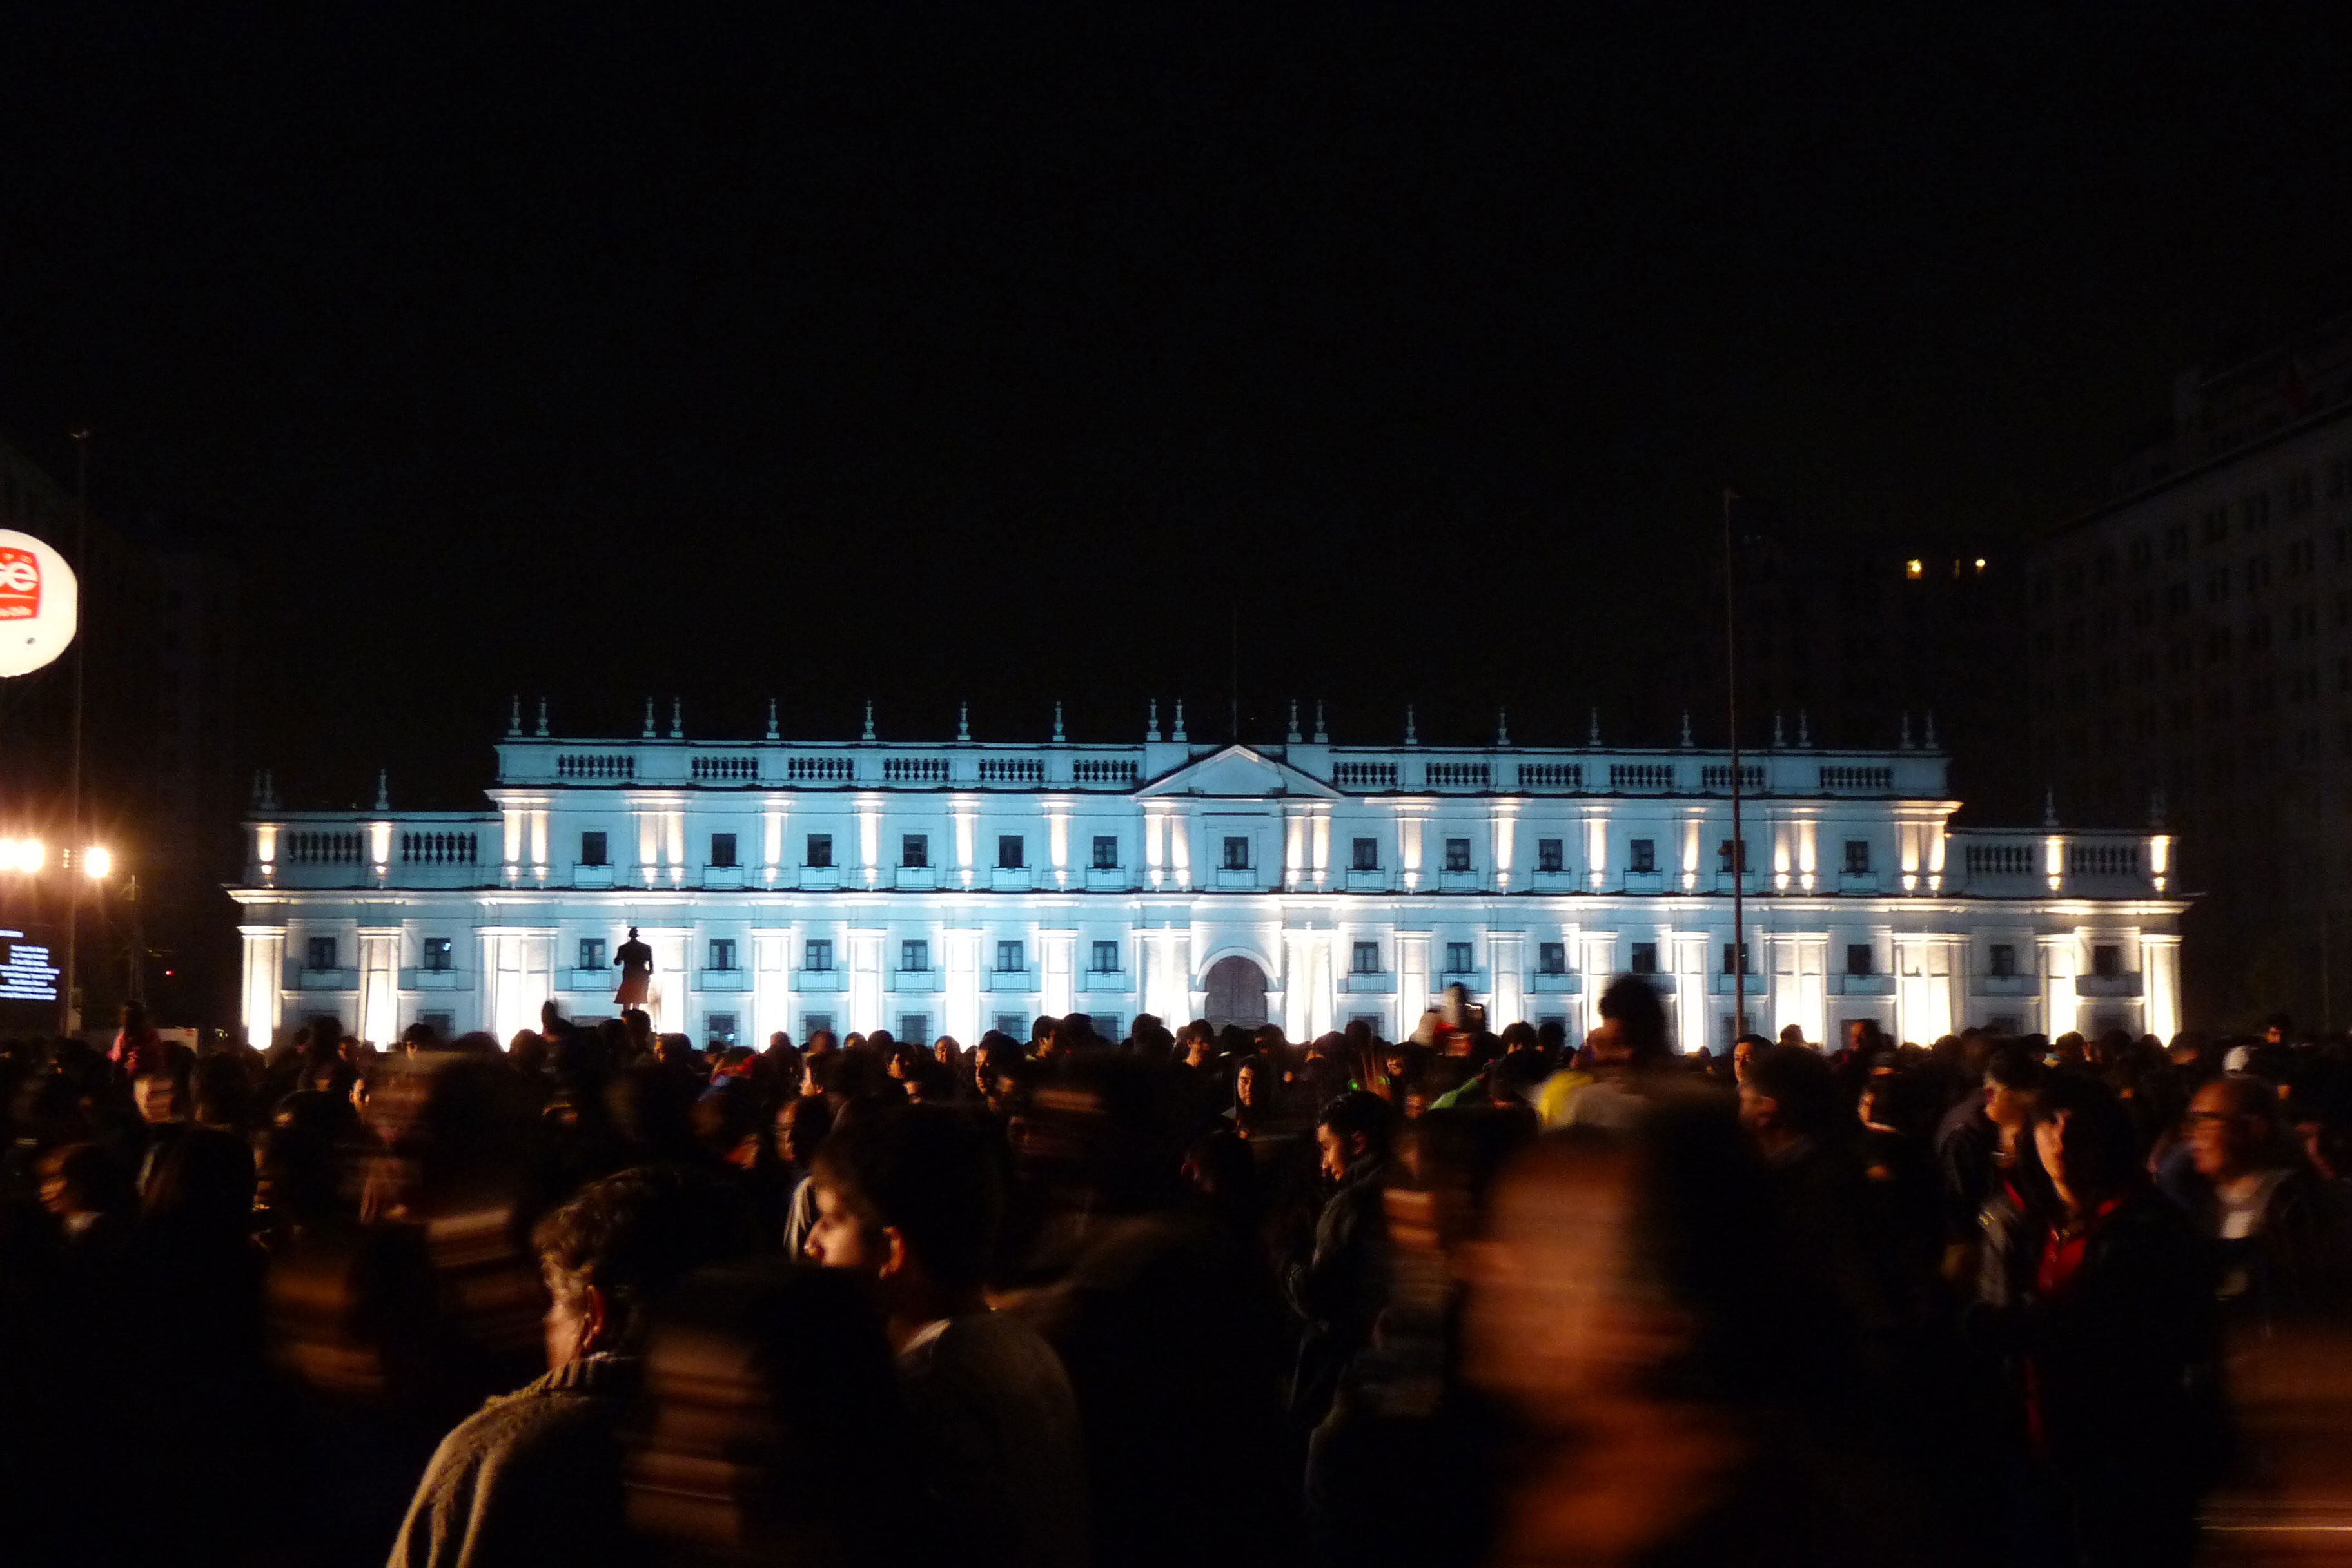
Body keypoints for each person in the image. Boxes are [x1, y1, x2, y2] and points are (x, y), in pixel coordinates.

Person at [388, 1164, 754, 1568]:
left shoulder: (500, 1453)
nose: (544, 1322)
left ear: (595, 1315)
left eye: (554, 1302)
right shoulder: (771, 1443)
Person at [805, 1104, 1086, 1568]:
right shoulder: (1021, 1345)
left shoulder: (926, 1383)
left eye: (831, 1222)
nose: (811, 1243)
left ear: (893, 1249)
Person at [2181, 1072, 2348, 1328]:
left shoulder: (2297, 1207)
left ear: (2254, 1128)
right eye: (2192, 1123)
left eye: (2205, 1121)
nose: (2194, 1136)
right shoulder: (2199, 1206)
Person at [1287, 1089, 1395, 1430]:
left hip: (1345, 1364)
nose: (1324, 1164)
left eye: (1327, 1148)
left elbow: (1316, 1298)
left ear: (1358, 1142)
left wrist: (1285, 1260)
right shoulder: (1412, 1185)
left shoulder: (1353, 1203)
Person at [611, 927, 652, 1009]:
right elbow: (651, 964)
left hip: (628, 975)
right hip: (641, 976)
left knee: (627, 1000)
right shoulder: (646, 948)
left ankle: (627, 1017)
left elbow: (617, 963)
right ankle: (635, 1016)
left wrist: (617, 959)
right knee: (637, 999)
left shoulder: (623, 948)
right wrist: (648, 974)